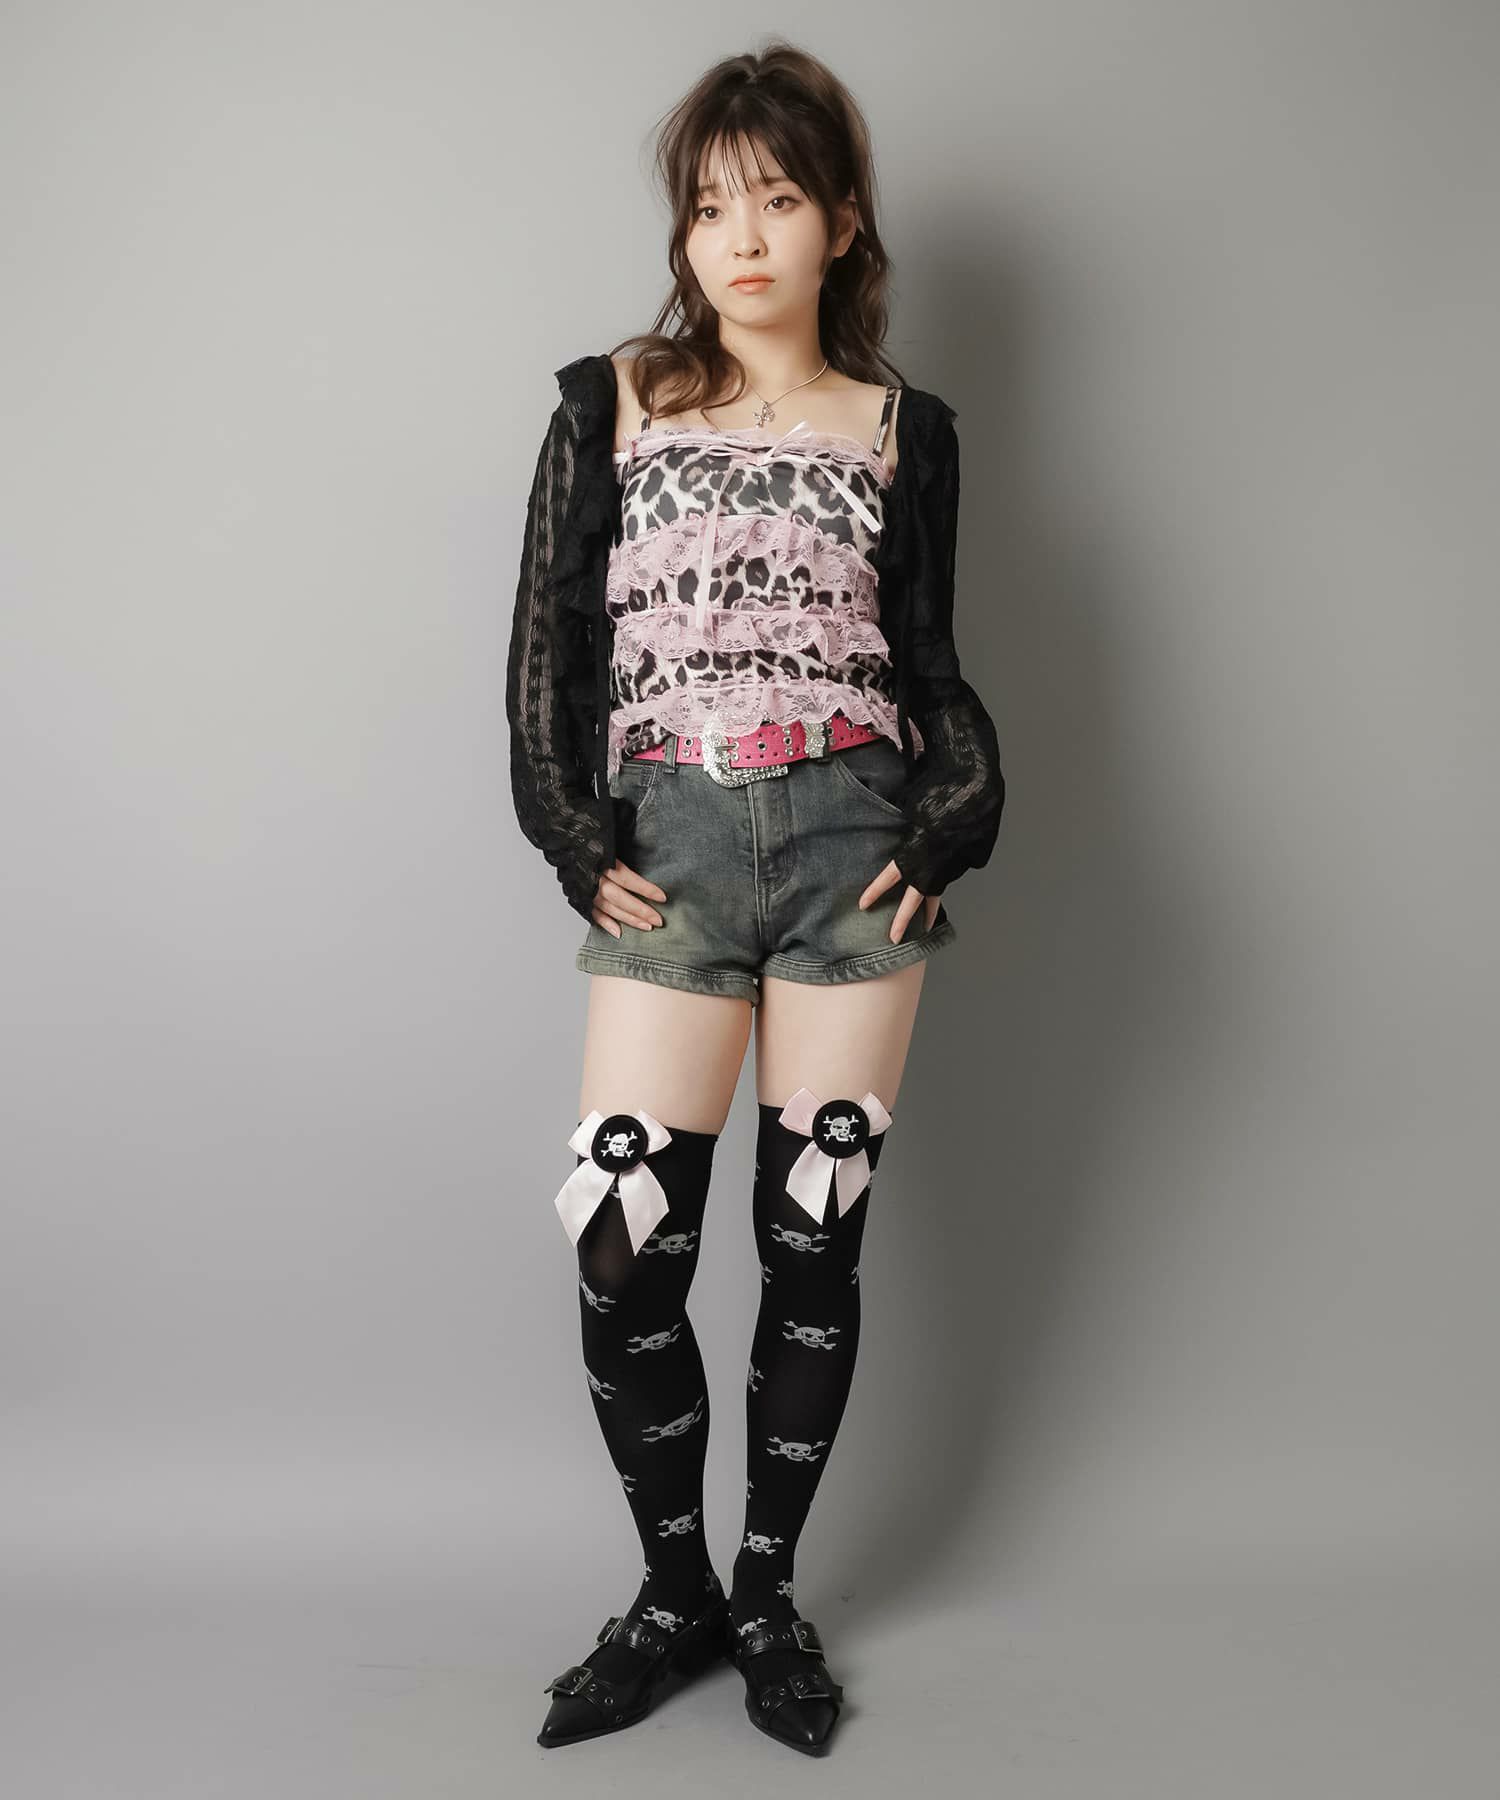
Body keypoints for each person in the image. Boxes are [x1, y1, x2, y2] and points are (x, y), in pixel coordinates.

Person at [507, 41, 1005, 1757]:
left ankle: (767, 1593)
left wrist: (955, 810)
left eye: (777, 199)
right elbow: (548, 649)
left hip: (855, 846)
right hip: (677, 849)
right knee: (620, 1239)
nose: (739, 236)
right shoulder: (615, 401)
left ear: (841, 224)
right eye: (710, 203)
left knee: (815, 1241)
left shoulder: (903, 430)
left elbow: (928, 665)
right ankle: (672, 1597)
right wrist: (570, 825)